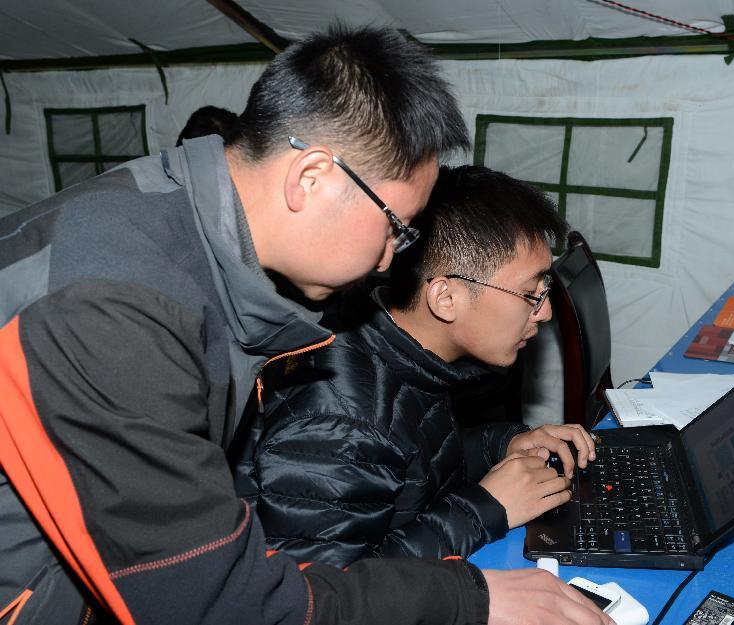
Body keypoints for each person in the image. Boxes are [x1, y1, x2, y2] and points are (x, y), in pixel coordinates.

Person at [0, 24, 610, 625]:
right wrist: (469, 597)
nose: (394, 257)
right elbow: (218, 605)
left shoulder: (175, 226)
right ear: (312, 178)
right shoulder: (115, 311)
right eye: (396, 226)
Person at [233, 165, 598, 567]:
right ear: (445, 298)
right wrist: (485, 508)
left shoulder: (400, 343)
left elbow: (406, 469)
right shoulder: (340, 423)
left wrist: (499, 446)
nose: (544, 313)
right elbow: (328, 593)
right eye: (531, 292)